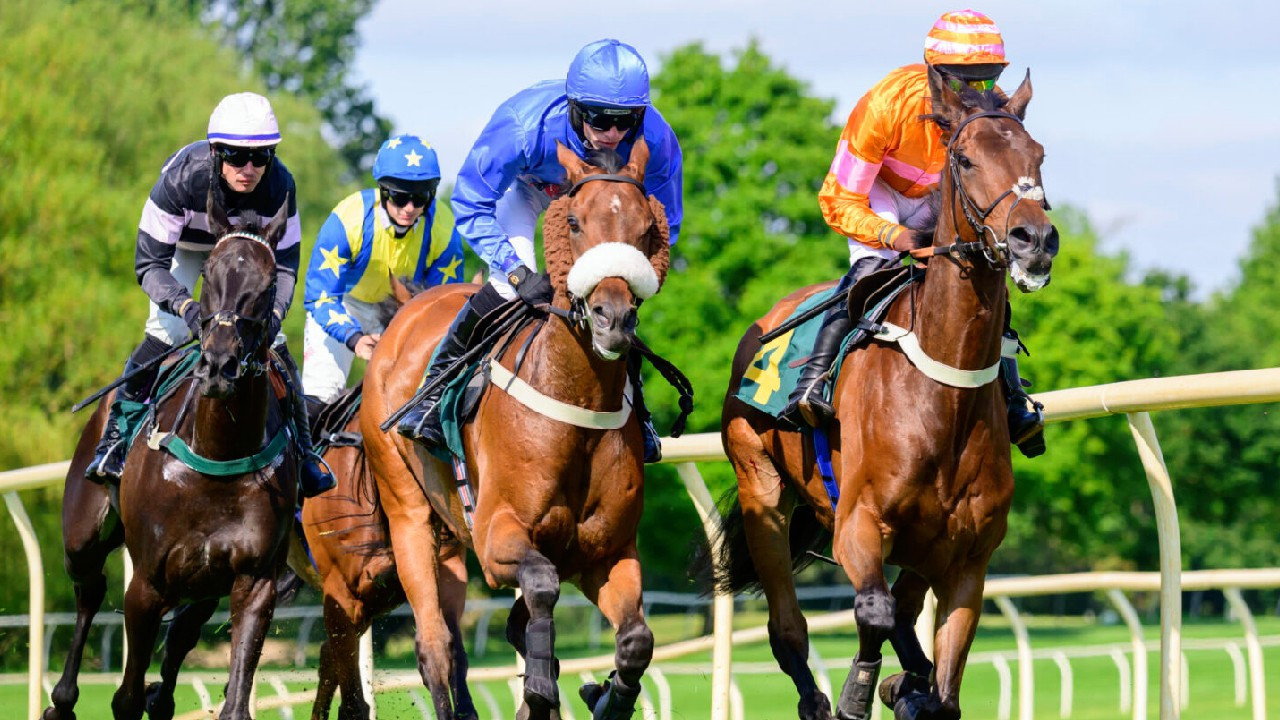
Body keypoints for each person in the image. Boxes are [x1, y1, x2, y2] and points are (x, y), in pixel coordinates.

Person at [395, 38, 683, 463]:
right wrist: (515, 272)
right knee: (511, 289)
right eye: (601, 120)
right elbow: (471, 200)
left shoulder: (656, 138)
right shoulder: (522, 126)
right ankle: (434, 390)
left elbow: (665, 221)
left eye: (627, 121)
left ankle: (637, 409)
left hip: (605, 210)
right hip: (530, 194)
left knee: (614, 294)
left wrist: (634, 269)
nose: (614, 134)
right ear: (575, 109)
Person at [781, 9, 1046, 457]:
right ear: (936, 74)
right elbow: (837, 199)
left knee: (984, 275)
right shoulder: (885, 105)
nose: (977, 93)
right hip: (880, 193)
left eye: (986, 80)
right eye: (965, 81)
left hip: (943, 192)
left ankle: (1012, 393)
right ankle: (814, 381)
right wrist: (894, 236)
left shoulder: (993, 106)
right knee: (871, 270)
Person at [85, 92, 337, 495]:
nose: (249, 168)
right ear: (216, 152)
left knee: (278, 345)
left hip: (246, 252)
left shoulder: (279, 186)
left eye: (261, 157)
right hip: (185, 247)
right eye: (236, 157)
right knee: (165, 331)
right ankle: (115, 437)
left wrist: (273, 318)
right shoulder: (181, 179)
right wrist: (185, 307)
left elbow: (286, 267)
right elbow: (148, 265)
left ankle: (305, 455)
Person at [301, 134, 463, 404]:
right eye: (400, 198)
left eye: (420, 198)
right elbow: (320, 296)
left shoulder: (444, 229)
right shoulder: (347, 218)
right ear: (383, 191)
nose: (409, 209)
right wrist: (353, 337)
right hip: (344, 305)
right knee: (319, 398)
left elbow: (442, 306)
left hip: (402, 311)